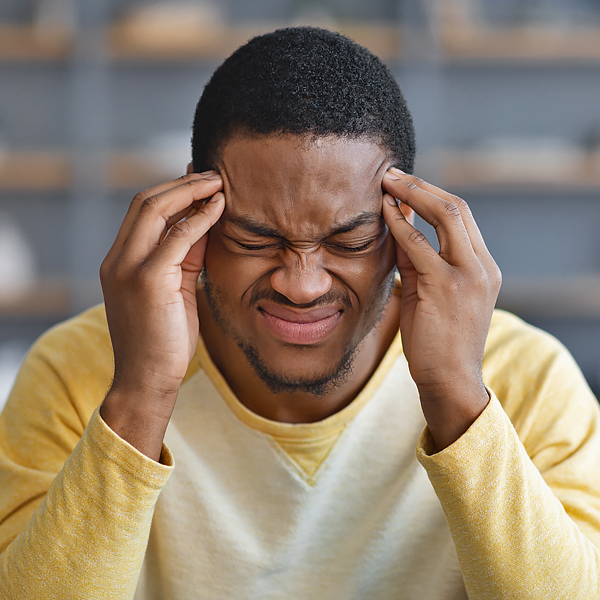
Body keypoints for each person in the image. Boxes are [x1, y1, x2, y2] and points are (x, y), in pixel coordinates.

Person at [1, 26, 599, 600]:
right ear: (192, 215)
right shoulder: (76, 372)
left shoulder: (527, 378)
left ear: (404, 223)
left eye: (348, 241)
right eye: (255, 239)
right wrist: (144, 391)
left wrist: (454, 394)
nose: (303, 285)